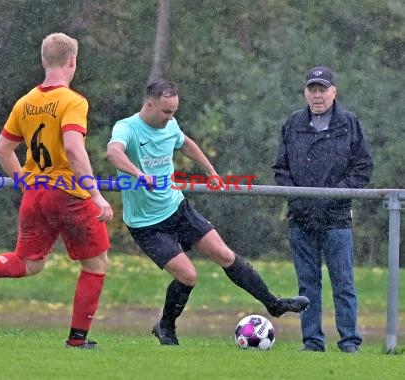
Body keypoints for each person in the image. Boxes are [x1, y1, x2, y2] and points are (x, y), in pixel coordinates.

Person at [107, 79, 309, 346]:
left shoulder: (171, 125)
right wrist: (139, 175)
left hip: (176, 208)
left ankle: (274, 304)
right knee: (188, 276)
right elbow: (113, 153)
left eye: (174, 112)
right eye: (166, 112)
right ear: (150, 104)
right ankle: (165, 327)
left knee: (225, 255)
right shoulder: (127, 128)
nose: (171, 118)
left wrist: (210, 172)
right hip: (146, 224)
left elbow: (186, 143)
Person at [0, 32, 113, 349]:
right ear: (73, 61)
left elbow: (2, 149)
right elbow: (75, 150)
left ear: (43, 60)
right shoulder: (73, 101)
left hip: (36, 193)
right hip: (70, 195)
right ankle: (78, 340)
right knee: (96, 265)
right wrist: (96, 195)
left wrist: (26, 183)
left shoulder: (26, 102)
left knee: (30, 262)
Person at [272, 66, 373, 354]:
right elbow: (281, 169)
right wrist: (299, 199)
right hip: (300, 219)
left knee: (343, 282)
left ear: (333, 92)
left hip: (337, 219)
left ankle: (350, 342)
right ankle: (312, 342)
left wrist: (334, 195)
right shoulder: (292, 123)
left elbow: (363, 168)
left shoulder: (350, 123)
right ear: (305, 93)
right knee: (307, 285)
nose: (317, 95)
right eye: (312, 89)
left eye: (322, 89)